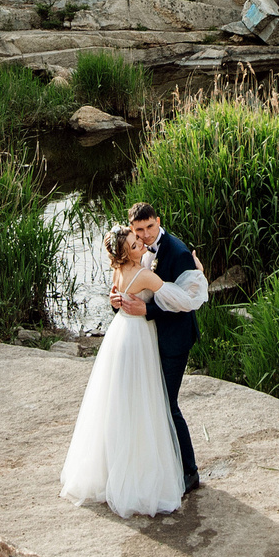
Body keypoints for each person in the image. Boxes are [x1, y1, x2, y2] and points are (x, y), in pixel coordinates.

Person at [58, 216, 187, 516]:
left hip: (119, 335)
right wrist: (200, 273)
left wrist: (117, 301)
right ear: (127, 253)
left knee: (117, 401)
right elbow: (178, 296)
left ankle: (111, 470)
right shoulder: (142, 275)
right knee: (143, 401)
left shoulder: (118, 271)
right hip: (137, 336)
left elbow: (115, 299)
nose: (140, 242)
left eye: (139, 238)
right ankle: (139, 474)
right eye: (133, 243)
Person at [109, 201, 207, 494]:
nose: (145, 235)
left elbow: (186, 304)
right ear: (132, 232)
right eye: (138, 231)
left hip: (174, 340)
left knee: (167, 404)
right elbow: (132, 294)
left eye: (150, 227)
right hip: (147, 341)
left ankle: (189, 471)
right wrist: (119, 303)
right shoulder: (135, 256)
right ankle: (165, 464)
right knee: (153, 403)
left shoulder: (177, 252)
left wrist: (198, 272)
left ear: (158, 221)